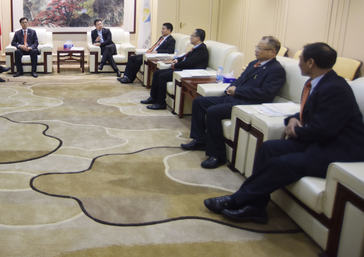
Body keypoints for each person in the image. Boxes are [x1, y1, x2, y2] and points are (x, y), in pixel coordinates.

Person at [204, 43, 364, 224]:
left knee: (281, 163)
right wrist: (293, 120)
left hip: (337, 149)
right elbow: (308, 113)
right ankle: (256, 208)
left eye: (301, 59)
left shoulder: (335, 88)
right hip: (320, 140)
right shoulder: (320, 82)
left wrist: (296, 131)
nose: (298, 63)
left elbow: (324, 129)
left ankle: (236, 200)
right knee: (268, 148)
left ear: (311, 62)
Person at [181, 36, 286, 169]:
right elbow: (239, 79)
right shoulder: (254, 63)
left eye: (261, 48)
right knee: (199, 102)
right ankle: (200, 140)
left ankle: (217, 155)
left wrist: (238, 91)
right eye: (257, 47)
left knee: (213, 112)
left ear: (272, 52)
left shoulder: (276, 70)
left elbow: (266, 93)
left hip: (248, 104)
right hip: (234, 97)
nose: (256, 50)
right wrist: (230, 88)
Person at [141, 29, 209, 110]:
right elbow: (185, 57)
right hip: (183, 68)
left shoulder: (201, 50)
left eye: (192, 36)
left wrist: (176, 65)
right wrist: (177, 59)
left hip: (188, 72)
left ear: (198, 38)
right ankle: (153, 97)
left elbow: (190, 63)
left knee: (162, 76)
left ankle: (161, 103)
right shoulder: (196, 47)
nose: (190, 37)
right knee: (157, 73)